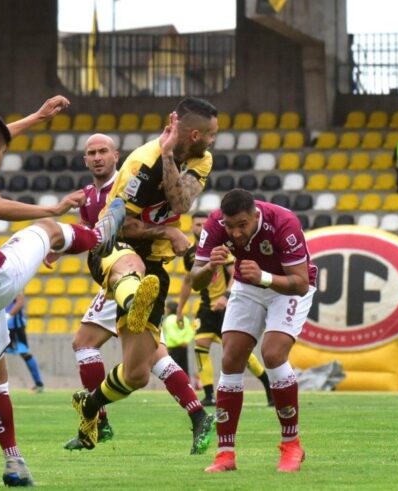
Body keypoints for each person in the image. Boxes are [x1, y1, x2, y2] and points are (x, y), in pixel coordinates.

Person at [0, 95, 124, 487]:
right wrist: (53, 210)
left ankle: (13, 461)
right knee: (44, 231)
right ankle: (98, 235)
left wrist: (37, 117)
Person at [70, 98, 219, 453]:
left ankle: (90, 408)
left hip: (155, 266)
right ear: (195, 133)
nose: (214, 140)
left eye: (102, 151)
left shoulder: (200, 158)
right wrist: (167, 232)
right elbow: (115, 228)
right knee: (129, 274)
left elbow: (181, 204)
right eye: (211, 134)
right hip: (112, 250)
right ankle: (135, 297)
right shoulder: (140, 163)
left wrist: (169, 156)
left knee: (137, 373)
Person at [191, 188, 317, 474]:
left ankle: (291, 445)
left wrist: (263, 276)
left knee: (272, 354)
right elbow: (196, 280)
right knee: (230, 358)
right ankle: (225, 454)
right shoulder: (214, 225)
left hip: (286, 287)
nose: (235, 233)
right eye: (230, 226)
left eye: (242, 225)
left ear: (256, 216)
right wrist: (211, 264)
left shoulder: (283, 222)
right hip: (249, 285)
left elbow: (299, 281)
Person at [177, 212, 274, 407]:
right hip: (206, 307)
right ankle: (209, 395)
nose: (201, 227)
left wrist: (226, 296)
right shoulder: (190, 255)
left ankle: (268, 387)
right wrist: (180, 310)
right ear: (192, 227)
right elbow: (189, 281)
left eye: (204, 224)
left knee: (241, 354)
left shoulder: (221, 250)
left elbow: (234, 274)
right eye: (197, 224)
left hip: (225, 307)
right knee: (200, 346)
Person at [5, 293, 44, 393]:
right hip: (3, 326)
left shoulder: (15, 282)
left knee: (24, 353)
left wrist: (8, 315)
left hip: (15, 327)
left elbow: (20, 301)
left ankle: (39, 384)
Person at [161, 301, 194, 375]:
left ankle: (175, 385)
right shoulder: (184, 319)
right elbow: (190, 332)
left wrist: (179, 342)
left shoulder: (169, 319)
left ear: (169, 309)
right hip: (184, 347)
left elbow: (171, 333)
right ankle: (186, 384)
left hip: (173, 348)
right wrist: (185, 341)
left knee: (173, 370)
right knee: (184, 368)